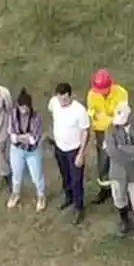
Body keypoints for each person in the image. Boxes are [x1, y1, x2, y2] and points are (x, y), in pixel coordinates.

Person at [103, 101, 134, 241]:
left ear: (130, 116)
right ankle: (125, 222)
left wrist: (123, 148)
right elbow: (111, 151)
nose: (119, 125)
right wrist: (132, 156)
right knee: (119, 198)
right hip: (117, 173)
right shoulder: (110, 128)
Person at [48, 83, 91, 224]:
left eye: (65, 99)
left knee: (76, 179)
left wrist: (81, 154)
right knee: (65, 175)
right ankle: (69, 197)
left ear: (70, 96)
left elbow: (85, 132)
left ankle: (79, 207)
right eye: (60, 99)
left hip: (74, 150)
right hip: (60, 148)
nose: (62, 102)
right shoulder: (54, 103)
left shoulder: (79, 110)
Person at [86, 69, 128, 205]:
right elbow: (92, 114)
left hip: (117, 131)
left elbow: (121, 117)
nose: (102, 93)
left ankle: (121, 190)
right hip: (101, 132)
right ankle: (105, 189)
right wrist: (109, 118)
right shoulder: (92, 94)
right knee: (103, 160)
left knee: (119, 159)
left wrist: (103, 118)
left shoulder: (121, 93)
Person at [6, 90, 48, 212]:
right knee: (16, 174)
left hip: (32, 152)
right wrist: (24, 137)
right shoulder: (13, 115)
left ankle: (41, 196)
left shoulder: (36, 117)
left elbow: (33, 140)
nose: (23, 109)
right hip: (17, 150)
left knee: (37, 176)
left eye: (25, 107)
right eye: (21, 107)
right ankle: (15, 194)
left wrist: (19, 137)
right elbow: (12, 136)